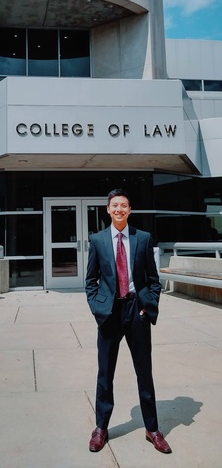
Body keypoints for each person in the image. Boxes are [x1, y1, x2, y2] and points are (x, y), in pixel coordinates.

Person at [85, 188, 172, 454]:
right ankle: (101, 428)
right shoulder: (98, 240)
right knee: (105, 374)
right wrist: (98, 308)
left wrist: (149, 306)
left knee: (144, 373)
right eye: (115, 205)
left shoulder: (142, 238)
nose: (120, 209)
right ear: (108, 210)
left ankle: (152, 429)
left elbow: (154, 281)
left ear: (129, 210)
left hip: (137, 311)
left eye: (124, 205)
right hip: (110, 313)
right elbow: (90, 281)